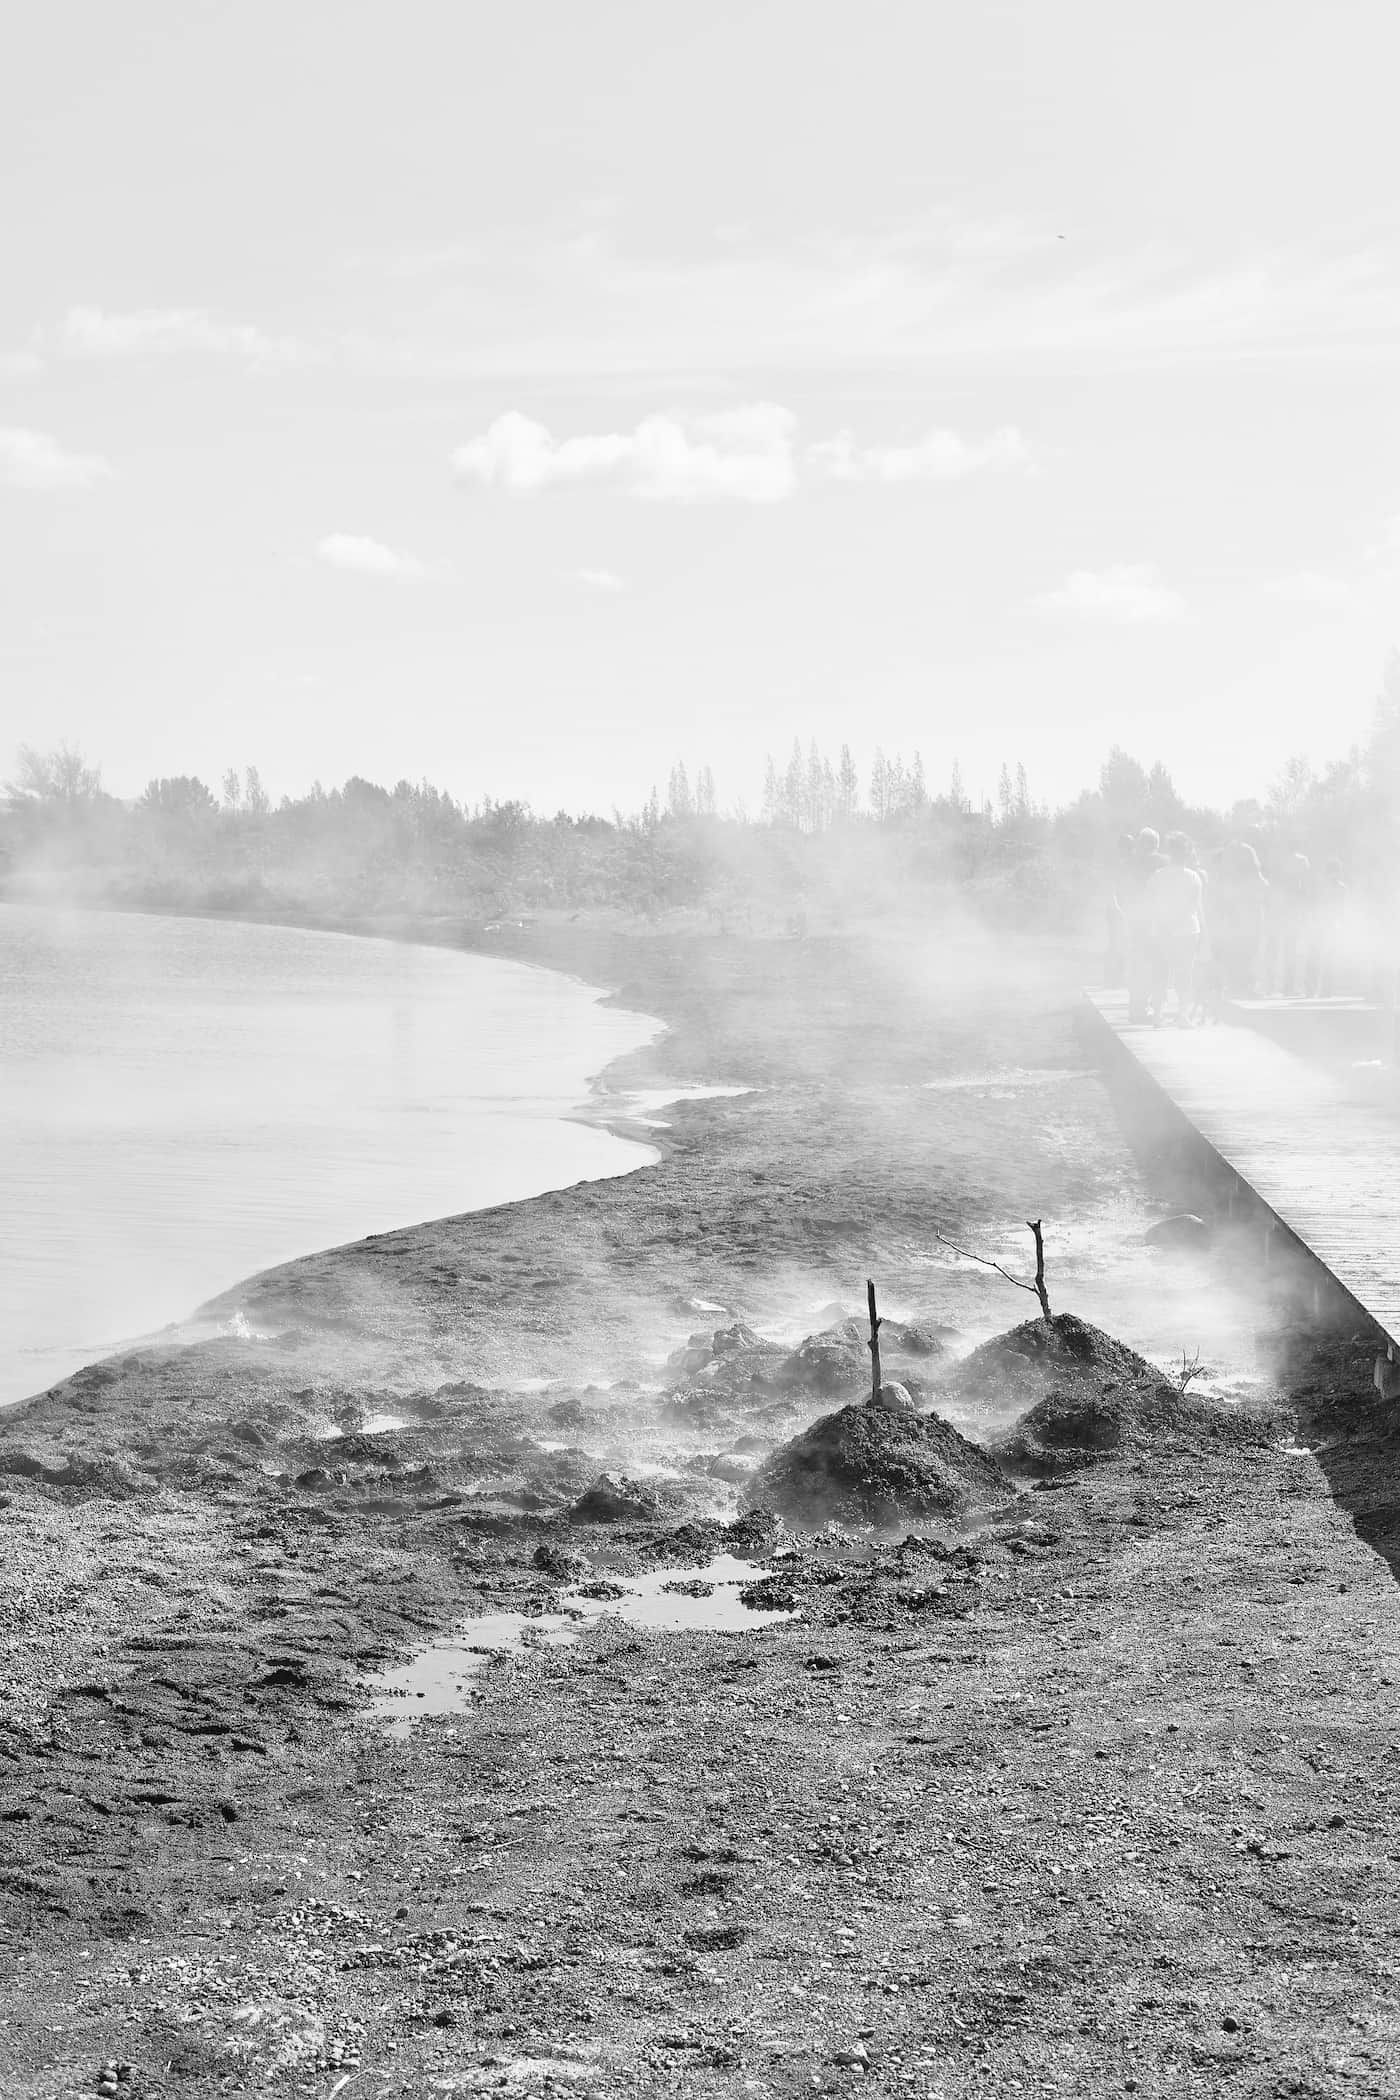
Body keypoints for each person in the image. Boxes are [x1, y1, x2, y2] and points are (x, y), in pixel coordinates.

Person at [1145, 831, 1204, 1024]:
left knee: (1160, 970)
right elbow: (1194, 907)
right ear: (1187, 854)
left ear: (1170, 852)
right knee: (1184, 972)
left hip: (1162, 930)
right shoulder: (1194, 877)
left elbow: (1150, 904)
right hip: (1187, 930)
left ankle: (1157, 1014)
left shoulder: (1157, 876)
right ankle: (1183, 1014)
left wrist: (1162, 924)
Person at [1121, 827, 1167, 1021]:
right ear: (1156, 844)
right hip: (1157, 921)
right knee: (1156, 964)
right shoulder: (1162, 862)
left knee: (1138, 964)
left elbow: (1123, 890)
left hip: (1135, 919)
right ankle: (1153, 1008)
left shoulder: (1129, 863)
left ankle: (1136, 1008)